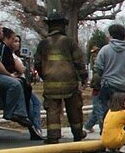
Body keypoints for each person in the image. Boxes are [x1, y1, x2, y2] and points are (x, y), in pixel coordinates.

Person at [34, 13, 88, 143]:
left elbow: (37, 64)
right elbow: (78, 62)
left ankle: (53, 137)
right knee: (74, 108)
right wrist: (83, 77)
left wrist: (45, 76)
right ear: (63, 26)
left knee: (52, 109)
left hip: (50, 83)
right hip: (70, 83)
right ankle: (77, 133)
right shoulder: (69, 42)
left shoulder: (43, 44)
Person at [0, 21, 34, 130]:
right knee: (15, 84)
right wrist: (9, 75)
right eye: (1, 30)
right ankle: (10, 112)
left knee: (18, 82)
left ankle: (21, 113)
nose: (3, 32)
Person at [0, 27, 45, 140]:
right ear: (7, 39)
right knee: (31, 105)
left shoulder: (12, 54)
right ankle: (35, 129)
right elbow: (21, 69)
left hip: (22, 84)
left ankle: (35, 130)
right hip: (19, 84)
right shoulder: (7, 52)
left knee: (34, 104)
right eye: (14, 40)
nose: (17, 43)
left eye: (18, 41)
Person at [94, 23, 125, 107]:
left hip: (108, 86)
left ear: (111, 35)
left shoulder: (105, 50)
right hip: (124, 87)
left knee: (107, 113)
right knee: (124, 113)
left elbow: (98, 67)